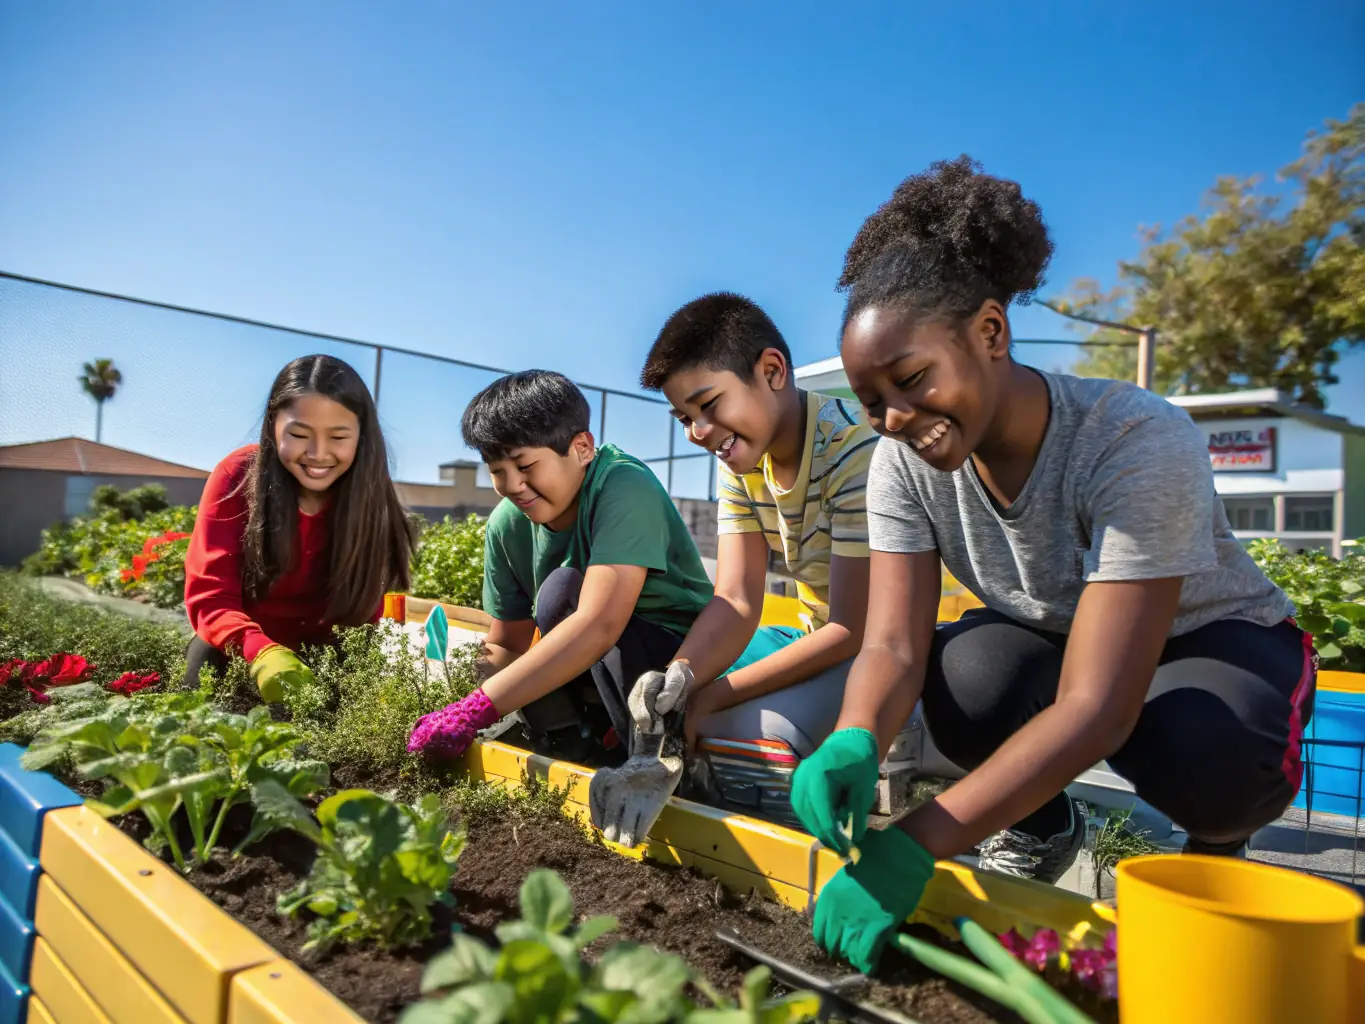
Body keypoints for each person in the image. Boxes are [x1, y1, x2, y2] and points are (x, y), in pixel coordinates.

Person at [791, 156, 1315, 974]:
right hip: (1062, 638)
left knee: (1211, 758)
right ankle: (1042, 827)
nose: (894, 418)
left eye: (913, 379)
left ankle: (1221, 842)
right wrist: (853, 738)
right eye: (871, 401)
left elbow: (1100, 706)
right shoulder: (900, 462)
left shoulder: (1132, 439)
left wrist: (919, 842)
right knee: (958, 680)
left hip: (1211, 640)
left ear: (990, 332)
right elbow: (890, 644)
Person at [633, 293, 877, 824]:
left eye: (708, 405)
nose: (698, 431)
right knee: (666, 691)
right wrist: (683, 676)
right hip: (814, 637)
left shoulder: (854, 448)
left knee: (739, 726)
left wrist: (714, 697)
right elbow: (737, 599)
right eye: (683, 417)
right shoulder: (741, 460)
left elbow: (853, 629)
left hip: (881, 653)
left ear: (771, 371)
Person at [407, 370, 725, 765]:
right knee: (547, 629)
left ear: (582, 448)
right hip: (590, 658)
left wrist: (479, 708)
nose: (512, 485)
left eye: (525, 466)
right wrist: (450, 702)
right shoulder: (507, 525)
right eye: (497, 471)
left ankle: (652, 755)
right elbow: (509, 643)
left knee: (562, 593)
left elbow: (599, 622)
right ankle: (571, 748)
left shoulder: (624, 485)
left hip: (676, 659)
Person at [184, 354, 415, 701]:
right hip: (240, 652)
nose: (318, 454)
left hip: (327, 660)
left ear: (361, 436)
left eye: (338, 437)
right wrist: (261, 652)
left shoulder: (368, 495)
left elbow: (367, 606)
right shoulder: (237, 476)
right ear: (272, 423)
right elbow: (210, 595)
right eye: (299, 434)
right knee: (203, 669)